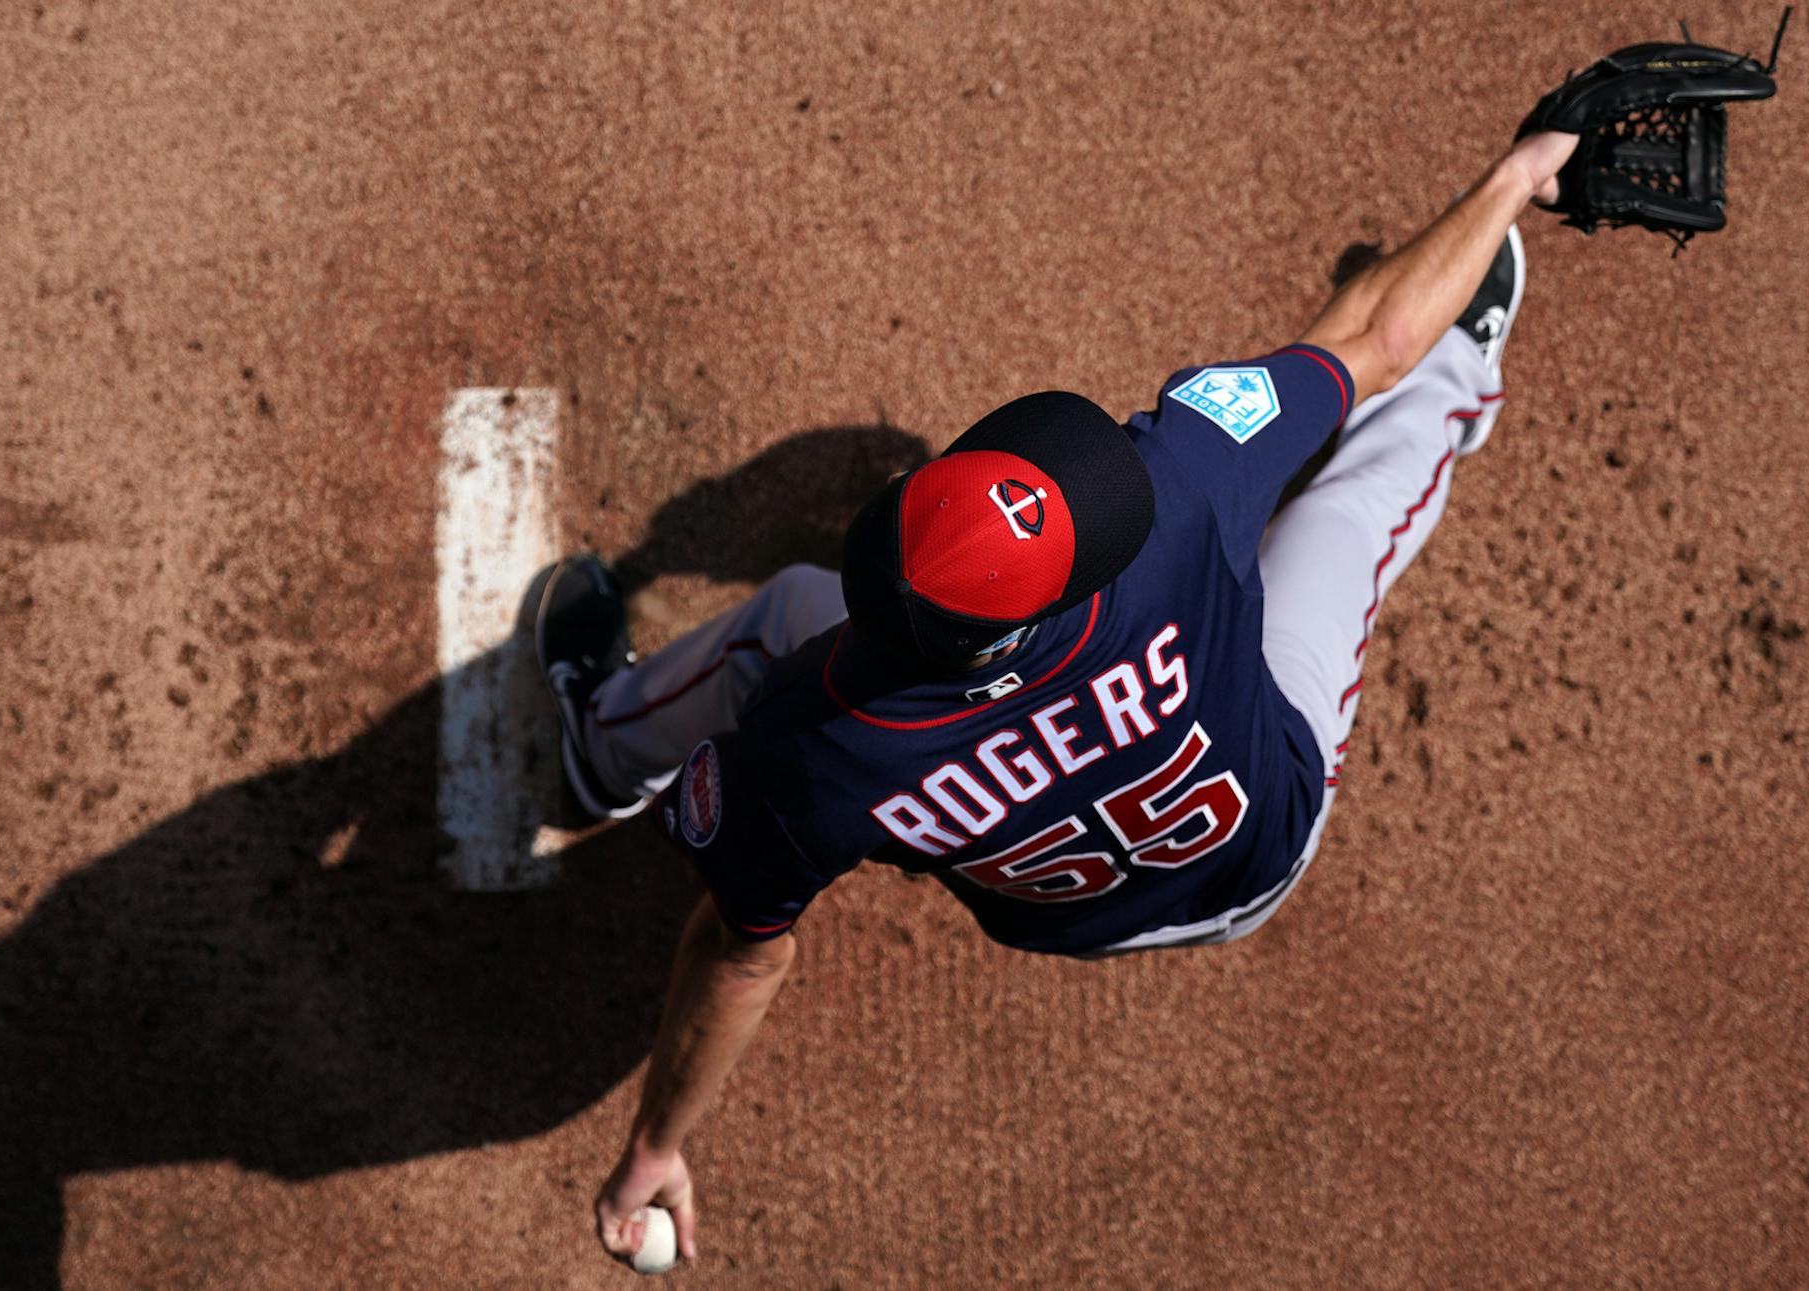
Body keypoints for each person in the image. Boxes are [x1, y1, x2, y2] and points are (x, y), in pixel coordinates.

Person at [534, 128, 1582, 1266]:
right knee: (1351, 511)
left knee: (786, 608)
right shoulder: (1177, 494)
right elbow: (1375, 334)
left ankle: (601, 748)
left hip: (1067, 915)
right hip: (1267, 821)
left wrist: (655, 1148)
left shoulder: (818, 741)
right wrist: (1513, 183)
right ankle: (1470, 358)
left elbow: (740, 957)